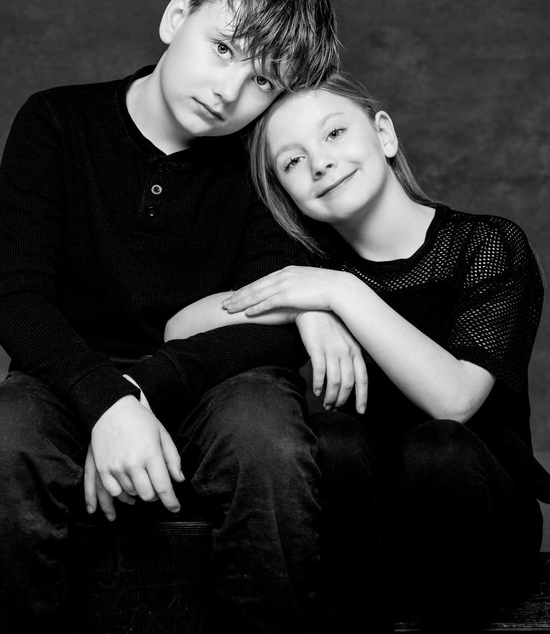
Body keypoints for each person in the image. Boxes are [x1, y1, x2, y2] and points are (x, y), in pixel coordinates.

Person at [0, 0, 347, 634]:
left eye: (263, 81)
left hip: (219, 382)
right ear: (177, 15)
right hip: (68, 375)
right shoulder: (56, 121)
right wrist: (106, 400)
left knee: (266, 436)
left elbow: (266, 319)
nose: (230, 91)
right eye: (225, 49)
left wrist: (142, 389)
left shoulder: (267, 163)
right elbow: (17, 298)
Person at [209, 71, 550, 632]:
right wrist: (307, 308)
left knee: (436, 447)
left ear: (384, 135)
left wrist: (344, 294)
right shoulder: (312, 276)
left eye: (335, 134)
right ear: (286, 194)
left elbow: (455, 400)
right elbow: (181, 327)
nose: (319, 163)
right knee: (332, 438)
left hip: (482, 525)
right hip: (369, 544)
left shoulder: (487, 245)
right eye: (292, 162)